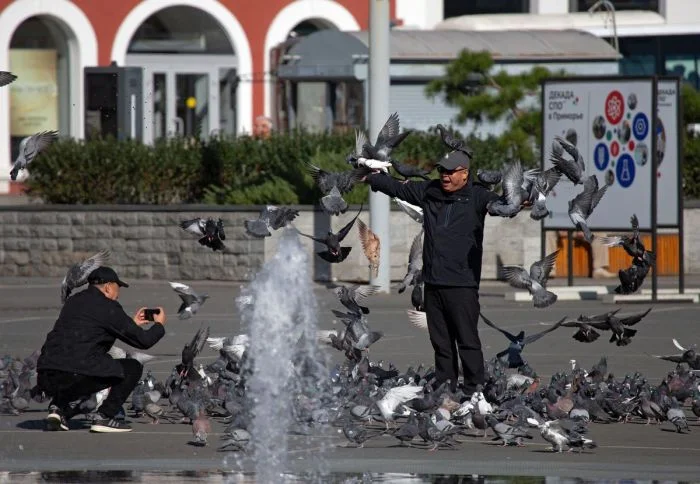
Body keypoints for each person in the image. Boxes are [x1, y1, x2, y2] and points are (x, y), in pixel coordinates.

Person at [363, 150, 502, 395]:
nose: (445, 176)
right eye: (441, 171)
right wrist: (371, 178)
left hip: (462, 284)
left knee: (467, 341)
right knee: (441, 342)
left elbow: (500, 205)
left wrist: (519, 202)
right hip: (433, 283)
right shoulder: (430, 191)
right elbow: (398, 188)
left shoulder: (478, 196)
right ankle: (445, 387)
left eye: (450, 172)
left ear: (464, 173)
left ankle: (474, 391)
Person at [36, 267, 167, 433]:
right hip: (76, 371)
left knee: (76, 367)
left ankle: (58, 408)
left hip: (46, 374)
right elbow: (144, 341)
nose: (118, 294)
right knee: (132, 367)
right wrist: (159, 325)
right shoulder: (108, 307)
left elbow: (91, 332)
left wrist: (131, 324)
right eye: (117, 288)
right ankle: (104, 416)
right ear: (108, 287)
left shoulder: (74, 301)